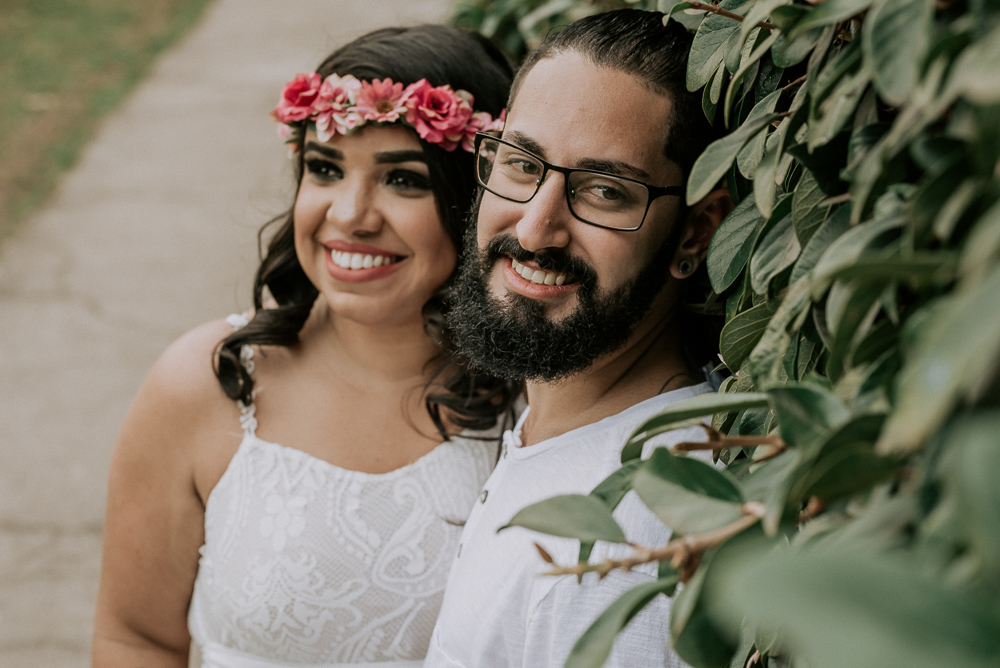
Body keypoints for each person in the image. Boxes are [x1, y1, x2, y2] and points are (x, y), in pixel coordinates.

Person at [92, 25, 518, 668]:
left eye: (403, 180)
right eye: (324, 169)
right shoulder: (208, 383)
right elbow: (135, 639)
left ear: (478, 200)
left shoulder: (534, 408)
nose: (350, 214)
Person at [424, 10, 732, 668]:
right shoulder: (562, 428)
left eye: (604, 192)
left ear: (695, 232)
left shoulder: (627, 545)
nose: (535, 230)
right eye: (521, 163)